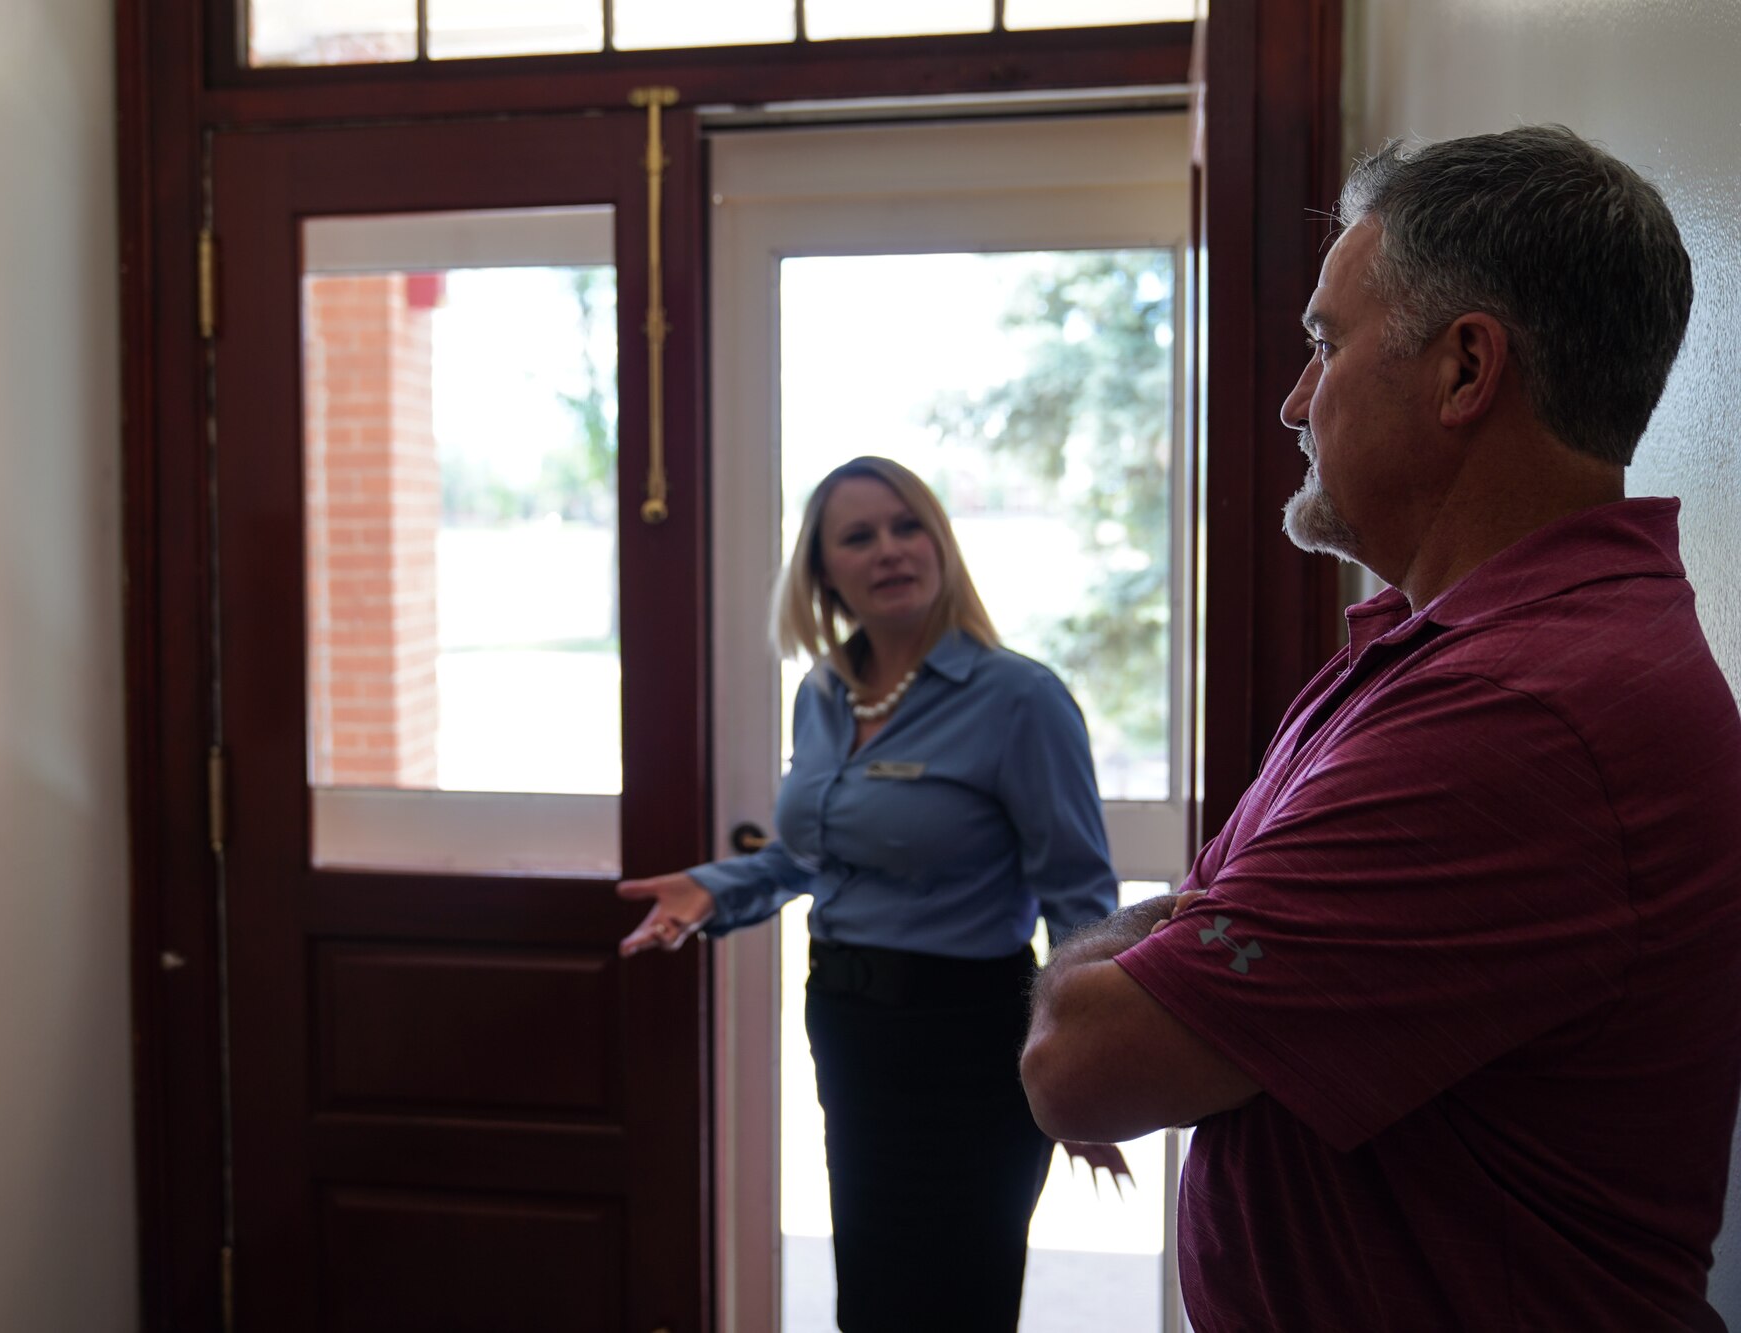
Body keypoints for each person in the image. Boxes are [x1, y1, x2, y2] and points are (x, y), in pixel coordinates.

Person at [1019, 124, 1741, 1331]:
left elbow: (1080, 1065)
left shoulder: (1516, 720)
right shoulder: (1446, 650)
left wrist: (1151, 944)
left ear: (1464, 370)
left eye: (1322, 344)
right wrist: (1199, 932)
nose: (1296, 403)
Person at [617, 455, 1118, 1332]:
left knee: (958, 1296)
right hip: (850, 1030)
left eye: (907, 526)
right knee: (875, 1293)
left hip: (970, 1042)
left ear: (940, 543)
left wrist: (1089, 1067)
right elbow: (807, 856)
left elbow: (1079, 896)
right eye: (858, 535)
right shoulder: (824, 693)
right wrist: (709, 888)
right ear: (822, 572)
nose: (889, 549)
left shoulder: (1019, 699)